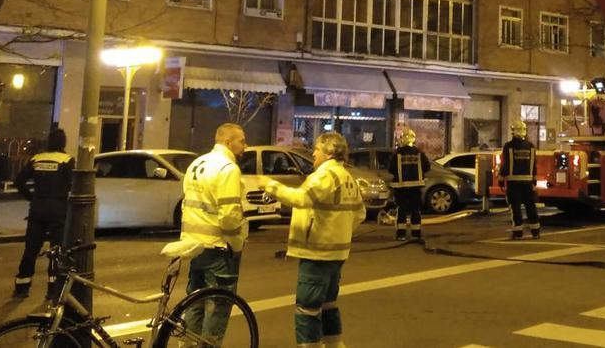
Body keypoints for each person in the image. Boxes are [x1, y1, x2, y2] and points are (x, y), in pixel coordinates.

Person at [265, 132, 365, 348]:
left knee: (307, 309)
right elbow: (360, 214)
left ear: (329, 153)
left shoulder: (325, 176)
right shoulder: (347, 177)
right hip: (337, 254)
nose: (313, 153)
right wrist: (339, 231)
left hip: (317, 253)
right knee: (328, 305)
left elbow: (300, 199)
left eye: (317, 149)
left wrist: (272, 187)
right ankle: (335, 345)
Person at [179, 122, 248, 345]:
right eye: (242, 141)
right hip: (218, 248)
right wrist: (237, 245)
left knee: (194, 303)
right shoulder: (228, 169)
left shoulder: (196, 164)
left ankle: (188, 344)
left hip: (194, 246)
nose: (245, 146)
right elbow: (229, 217)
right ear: (228, 142)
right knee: (218, 307)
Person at [13, 128, 73, 298]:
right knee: (56, 249)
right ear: (63, 143)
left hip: (37, 209)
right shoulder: (67, 160)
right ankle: (53, 287)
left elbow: (19, 181)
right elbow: (74, 185)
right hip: (58, 209)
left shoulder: (37, 159)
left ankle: (22, 285)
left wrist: (31, 197)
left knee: (31, 248)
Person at [387, 128, 431, 241]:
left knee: (401, 210)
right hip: (416, 187)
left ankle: (401, 235)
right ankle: (415, 234)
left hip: (401, 188)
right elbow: (427, 167)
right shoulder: (419, 153)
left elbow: (391, 169)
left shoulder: (397, 153)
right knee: (415, 210)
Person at [500, 119, 539, 240]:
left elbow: (506, 163)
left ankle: (518, 233)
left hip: (513, 182)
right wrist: (534, 180)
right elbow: (534, 164)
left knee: (515, 208)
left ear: (513, 131)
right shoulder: (531, 146)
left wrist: (501, 178)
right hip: (528, 182)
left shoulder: (508, 146)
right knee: (531, 207)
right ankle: (535, 232)